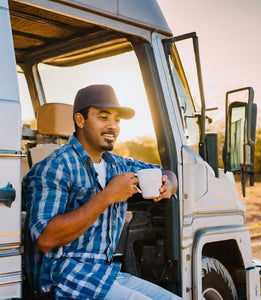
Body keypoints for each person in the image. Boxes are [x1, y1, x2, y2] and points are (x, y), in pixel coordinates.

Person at [23, 84, 181, 299]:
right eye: (103, 117)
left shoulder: (116, 164)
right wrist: (108, 196)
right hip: (63, 279)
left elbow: (165, 173)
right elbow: (45, 239)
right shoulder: (55, 167)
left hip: (105, 273)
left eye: (116, 120)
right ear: (80, 120)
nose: (112, 126)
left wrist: (168, 184)